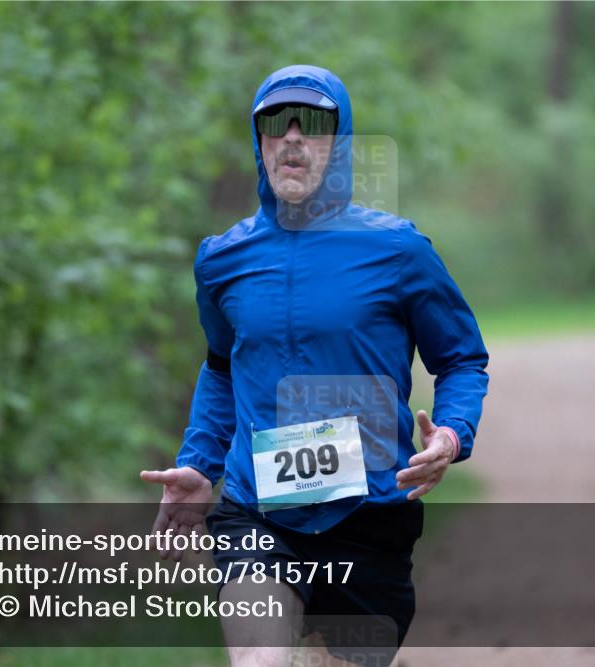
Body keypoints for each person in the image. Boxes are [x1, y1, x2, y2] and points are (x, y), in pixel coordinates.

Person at [141, 64, 489, 666]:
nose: (294, 138)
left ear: (340, 140)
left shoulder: (399, 251)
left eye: (314, 124)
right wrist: (200, 464)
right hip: (256, 511)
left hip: (369, 515)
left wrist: (453, 433)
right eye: (276, 122)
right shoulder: (222, 260)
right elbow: (223, 366)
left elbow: (461, 358)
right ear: (259, 140)